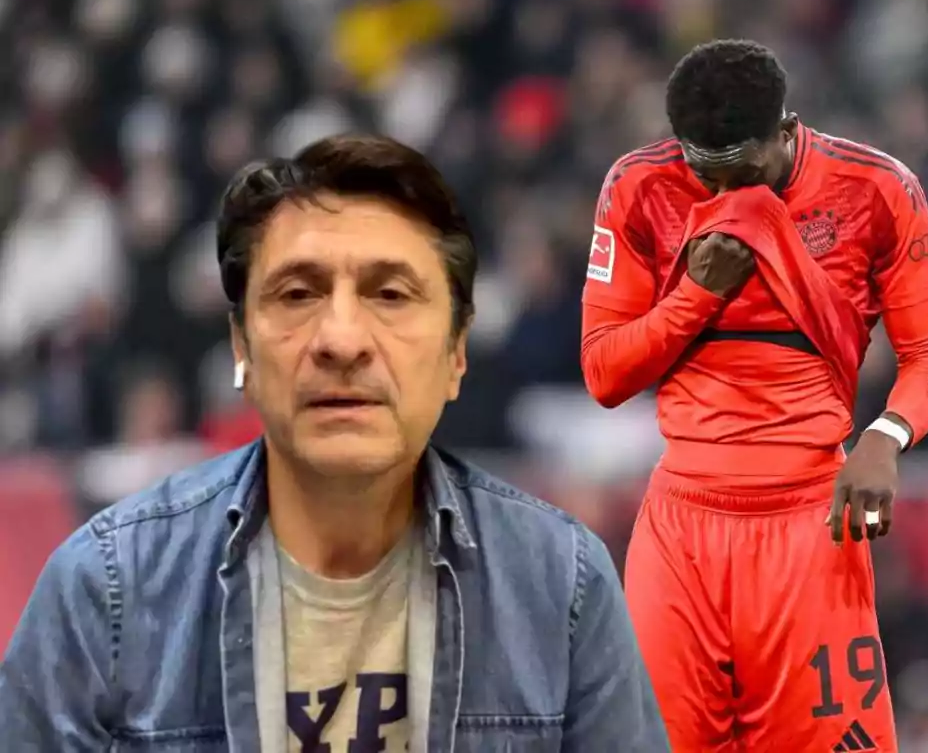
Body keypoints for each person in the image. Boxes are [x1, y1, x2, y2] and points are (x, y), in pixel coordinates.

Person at [0, 133, 668, 751]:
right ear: (241, 347)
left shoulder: (561, 584)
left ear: (457, 352)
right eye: (297, 294)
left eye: (391, 294)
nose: (341, 340)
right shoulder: (107, 588)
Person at [581, 40, 928, 752]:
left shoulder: (876, 190)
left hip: (807, 526)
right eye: (704, 174)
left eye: (742, 173)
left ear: (786, 131)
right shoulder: (638, 187)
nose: (725, 198)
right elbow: (605, 374)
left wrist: (886, 435)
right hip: (680, 533)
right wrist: (696, 295)